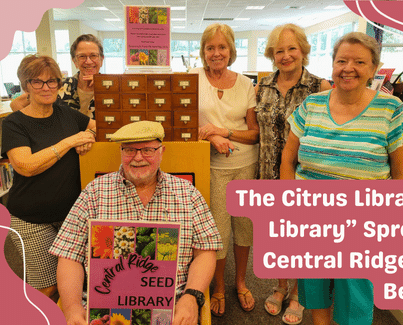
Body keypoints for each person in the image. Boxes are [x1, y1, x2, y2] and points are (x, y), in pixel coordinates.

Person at [281, 32, 403, 325]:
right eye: (342, 60)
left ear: (373, 68)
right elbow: (288, 158)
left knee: (355, 294)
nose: (348, 68)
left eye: (359, 62)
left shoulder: (391, 110)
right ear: (332, 65)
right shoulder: (312, 105)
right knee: (314, 286)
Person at [49, 121, 223, 325]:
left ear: (161, 151)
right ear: (121, 152)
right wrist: (72, 308)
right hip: (103, 310)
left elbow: (206, 251)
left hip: (171, 308)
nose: (138, 157)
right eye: (130, 150)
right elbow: (69, 254)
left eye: (148, 150)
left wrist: (191, 297)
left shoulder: (188, 194)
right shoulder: (94, 192)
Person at [1, 54, 96, 299]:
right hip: (32, 219)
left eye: (52, 81)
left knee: (75, 281)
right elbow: (25, 166)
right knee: (46, 287)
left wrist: (89, 139)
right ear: (25, 85)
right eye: (38, 82)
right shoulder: (14, 124)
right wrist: (70, 141)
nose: (46, 87)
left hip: (71, 217)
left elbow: (99, 128)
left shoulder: (68, 114)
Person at [255, 23, 332, 325]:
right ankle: (281, 285)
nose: (286, 56)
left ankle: (299, 295)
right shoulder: (262, 85)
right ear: (272, 55)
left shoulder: (319, 87)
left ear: (303, 50)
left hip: (303, 176)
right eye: (279, 51)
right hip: (266, 174)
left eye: (291, 49)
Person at [191, 23, 259, 316]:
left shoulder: (245, 84)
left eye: (222, 47)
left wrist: (224, 131)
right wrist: (211, 135)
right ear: (203, 52)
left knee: (244, 227)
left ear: (231, 50)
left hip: (246, 163)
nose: (216, 53)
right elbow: (183, 121)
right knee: (216, 230)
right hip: (211, 166)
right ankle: (218, 286)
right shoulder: (192, 79)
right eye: (210, 48)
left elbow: (254, 133)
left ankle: (241, 281)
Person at [10, 34, 104, 118]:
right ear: (75, 61)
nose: (88, 61)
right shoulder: (58, 85)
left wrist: (101, 83)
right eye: (82, 56)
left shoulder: (114, 88)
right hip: (65, 138)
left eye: (93, 56)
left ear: (101, 59)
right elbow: (17, 103)